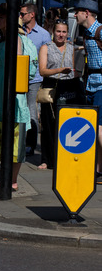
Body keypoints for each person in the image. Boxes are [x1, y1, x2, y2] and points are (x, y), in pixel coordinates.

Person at [0, 3, 32, 193]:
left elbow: (17, 67)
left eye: (1, 18)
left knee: (14, 136)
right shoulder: (3, 41)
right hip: (0, 92)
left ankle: (10, 179)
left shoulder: (15, 40)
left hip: (11, 93)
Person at [38, 19, 85, 170]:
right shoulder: (46, 47)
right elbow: (42, 70)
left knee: (66, 123)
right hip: (51, 86)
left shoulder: (71, 48)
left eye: (64, 32)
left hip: (69, 86)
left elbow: (76, 69)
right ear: (53, 32)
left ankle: (65, 156)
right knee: (48, 123)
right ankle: (47, 159)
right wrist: (59, 70)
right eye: (58, 31)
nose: (61, 35)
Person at [20, 3, 52, 156]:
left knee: (31, 110)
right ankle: (18, 141)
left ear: (31, 15)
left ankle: (30, 144)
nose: (20, 16)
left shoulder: (43, 34)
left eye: (23, 13)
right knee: (19, 110)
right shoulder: (19, 32)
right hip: (19, 77)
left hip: (35, 79)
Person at [75, 0, 102, 174]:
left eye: (77, 12)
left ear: (86, 13)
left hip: (101, 85)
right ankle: (99, 168)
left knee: (99, 129)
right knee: (96, 128)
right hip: (90, 85)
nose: (75, 15)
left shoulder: (101, 30)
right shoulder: (86, 33)